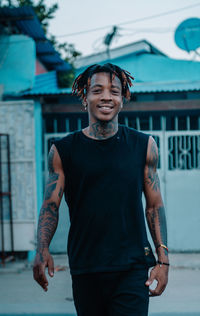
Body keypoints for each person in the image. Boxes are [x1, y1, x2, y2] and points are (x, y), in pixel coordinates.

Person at [33, 63, 169, 316]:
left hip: (132, 267)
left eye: (114, 91)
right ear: (85, 97)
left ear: (123, 98)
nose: (106, 97)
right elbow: (50, 205)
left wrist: (163, 260)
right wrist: (42, 249)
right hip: (86, 266)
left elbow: (154, 206)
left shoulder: (144, 145)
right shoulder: (63, 150)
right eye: (97, 90)